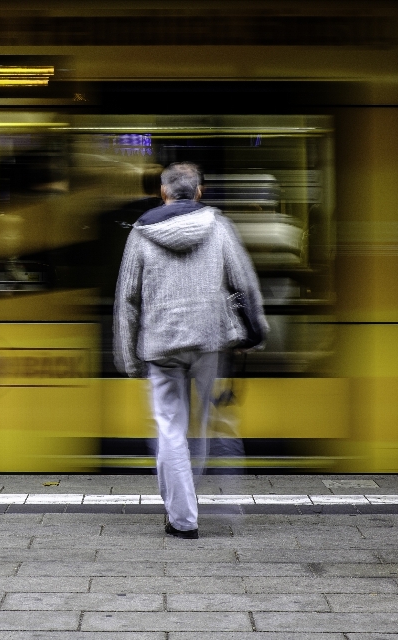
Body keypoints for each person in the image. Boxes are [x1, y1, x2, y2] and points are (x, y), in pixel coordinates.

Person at [113, 162, 267, 539]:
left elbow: (128, 300)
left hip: (161, 345)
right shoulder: (218, 226)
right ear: (199, 191)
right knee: (199, 426)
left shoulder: (142, 232)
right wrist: (256, 333)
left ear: (163, 193)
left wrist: (131, 359)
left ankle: (183, 518)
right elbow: (244, 282)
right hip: (208, 340)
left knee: (170, 429)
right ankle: (191, 502)